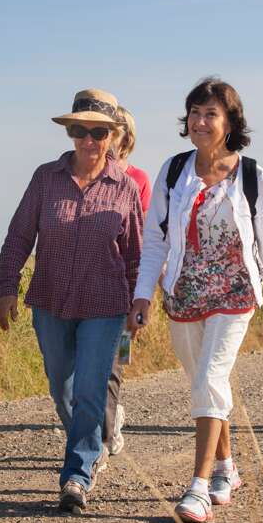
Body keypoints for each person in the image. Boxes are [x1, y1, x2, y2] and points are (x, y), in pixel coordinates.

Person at [128, 78, 263, 523]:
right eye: (195, 113)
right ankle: (226, 467)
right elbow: (154, 242)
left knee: (210, 376)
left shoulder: (252, 176)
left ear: (230, 122)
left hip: (234, 293)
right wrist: (143, 294)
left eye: (211, 114)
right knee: (205, 385)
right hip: (184, 294)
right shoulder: (173, 170)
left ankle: (198, 487)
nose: (201, 122)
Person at [0, 89, 143, 513]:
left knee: (92, 390)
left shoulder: (125, 188)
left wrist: (138, 302)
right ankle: (89, 440)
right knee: (62, 385)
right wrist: (7, 287)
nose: (89, 140)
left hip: (106, 304)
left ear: (113, 135)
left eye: (98, 132)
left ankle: (77, 475)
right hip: (50, 301)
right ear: (71, 133)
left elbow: (134, 252)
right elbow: (20, 234)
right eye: (80, 130)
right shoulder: (46, 178)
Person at [101, 106, 152, 456]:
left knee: (116, 360)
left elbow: (143, 237)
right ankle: (98, 421)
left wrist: (143, 293)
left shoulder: (138, 179)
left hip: (125, 286)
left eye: (111, 132)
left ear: (125, 138)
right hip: (86, 286)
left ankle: (107, 426)